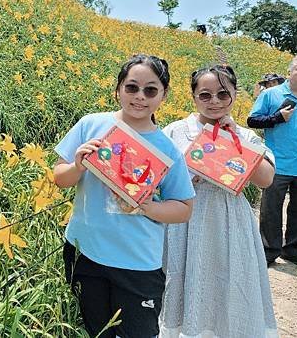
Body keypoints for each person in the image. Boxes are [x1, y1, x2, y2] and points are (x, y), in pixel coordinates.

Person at [54, 54, 195, 338]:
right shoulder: (91, 125)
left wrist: (146, 207)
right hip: (85, 252)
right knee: (93, 332)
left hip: (138, 263)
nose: (140, 97)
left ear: (163, 95)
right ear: (117, 89)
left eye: (150, 90)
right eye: (131, 87)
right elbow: (59, 178)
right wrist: (77, 165)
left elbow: (184, 208)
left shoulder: (167, 150)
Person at [159, 64, 278, 338]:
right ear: (193, 97)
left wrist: (236, 140)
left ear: (235, 95)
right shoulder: (176, 131)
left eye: (223, 94)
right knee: (185, 281)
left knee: (231, 282)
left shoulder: (246, 136)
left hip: (230, 221)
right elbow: (157, 180)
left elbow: (265, 179)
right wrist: (186, 180)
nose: (214, 102)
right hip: (185, 220)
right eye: (205, 95)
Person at [248, 55, 297, 266]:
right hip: (277, 163)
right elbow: (252, 120)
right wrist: (277, 118)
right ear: (289, 72)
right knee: (271, 210)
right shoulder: (272, 94)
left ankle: (293, 249)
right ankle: (269, 251)